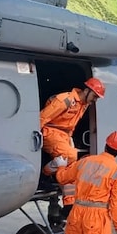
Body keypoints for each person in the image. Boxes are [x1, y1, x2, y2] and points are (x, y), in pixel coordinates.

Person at [40, 78, 105, 215]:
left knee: (72, 168)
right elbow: (43, 118)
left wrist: (69, 140)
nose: (95, 101)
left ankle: (69, 204)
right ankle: (45, 174)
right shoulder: (65, 99)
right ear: (87, 91)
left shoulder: (83, 104)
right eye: (95, 97)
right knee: (70, 156)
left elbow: (70, 126)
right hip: (49, 132)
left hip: (64, 135)